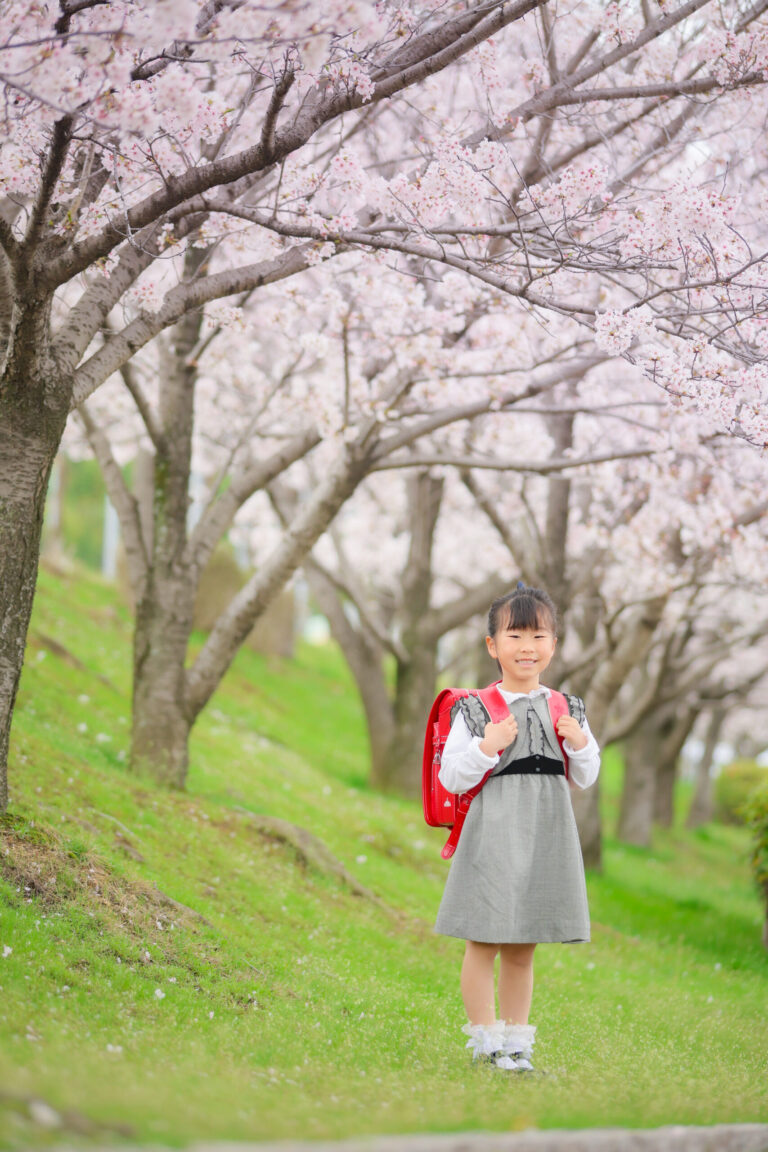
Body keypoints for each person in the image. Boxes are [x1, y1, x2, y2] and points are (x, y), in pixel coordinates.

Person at [434, 583, 600, 1072]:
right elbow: (452, 776)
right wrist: (487, 746)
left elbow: (586, 776)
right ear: (492, 646)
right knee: (484, 938)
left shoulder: (566, 707)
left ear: (553, 644)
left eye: (538, 635)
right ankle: (486, 1042)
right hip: (493, 831)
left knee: (524, 944)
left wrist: (580, 742)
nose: (527, 647)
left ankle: (516, 1043)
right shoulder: (475, 708)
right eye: (514, 635)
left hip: (545, 832)